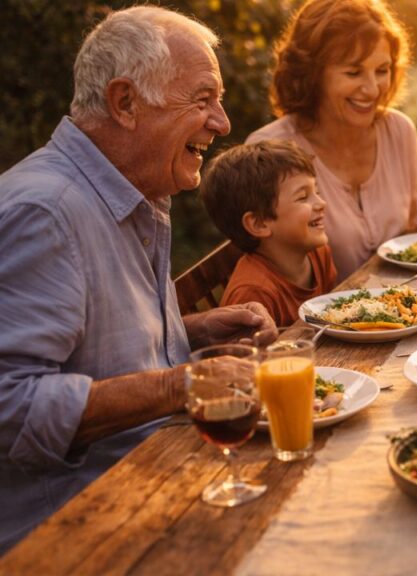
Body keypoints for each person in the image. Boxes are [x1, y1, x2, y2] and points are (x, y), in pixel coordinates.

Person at [0, 7, 276, 553]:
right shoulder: (46, 211)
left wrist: (190, 330)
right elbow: (12, 405)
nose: (222, 123)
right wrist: (182, 384)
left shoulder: (133, 189)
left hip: (155, 475)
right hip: (79, 531)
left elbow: (89, 349)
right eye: (202, 100)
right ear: (125, 102)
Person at [247, 0, 417, 281]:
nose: (372, 89)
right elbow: (266, 272)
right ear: (312, 75)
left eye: (382, 70)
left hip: (401, 313)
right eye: (353, 72)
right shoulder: (271, 150)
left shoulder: (398, 130)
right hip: (318, 320)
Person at [201, 140, 337, 326]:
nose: (322, 203)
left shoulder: (319, 254)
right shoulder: (253, 295)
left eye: (317, 191)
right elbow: (251, 355)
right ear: (259, 223)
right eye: (303, 197)